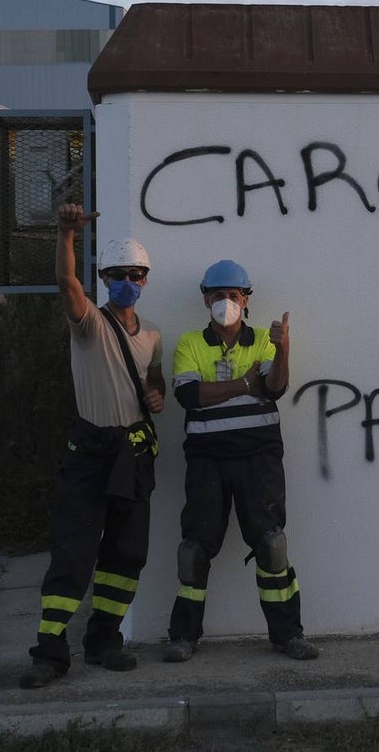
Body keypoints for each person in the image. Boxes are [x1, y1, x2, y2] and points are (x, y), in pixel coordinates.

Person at [20, 204, 166, 689]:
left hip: (133, 453)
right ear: (103, 278)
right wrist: (65, 234)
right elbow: (67, 286)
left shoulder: (152, 336)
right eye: (119, 274)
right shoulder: (89, 324)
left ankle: (104, 642)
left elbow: (154, 380)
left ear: (146, 279)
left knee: (126, 554)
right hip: (90, 451)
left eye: (136, 274)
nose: (128, 280)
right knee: (73, 551)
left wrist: (157, 393)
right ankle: (50, 651)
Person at [163, 259, 318, 662]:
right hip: (206, 460)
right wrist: (245, 384)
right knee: (194, 549)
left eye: (233, 296)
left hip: (258, 458)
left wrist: (283, 351)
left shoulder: (265, 340)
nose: (226, 303)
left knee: (272, 545)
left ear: (246, 299)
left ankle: (288, 635)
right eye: (218, 296)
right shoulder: (189, 344)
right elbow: (190, 397)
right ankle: (183, 636)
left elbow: (274, 388)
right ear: (205, 300)